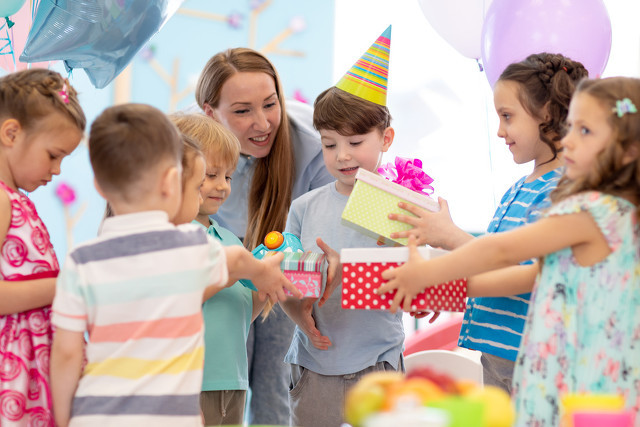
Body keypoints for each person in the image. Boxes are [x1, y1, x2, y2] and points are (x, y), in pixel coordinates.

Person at [379, 76, 640, 425]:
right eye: (572, 126)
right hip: (598, 378)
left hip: (576, 377)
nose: (570, 139)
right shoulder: (622, 211)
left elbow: (501, 250)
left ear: (628, 150)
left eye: (586, 131)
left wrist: (426, 274)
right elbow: (537, 275)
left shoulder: (591, 211)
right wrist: (439, 289)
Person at [49, 103, 298, 427]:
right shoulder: (190, 246)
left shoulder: (79, 261)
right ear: (172, 181)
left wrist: (64, 418)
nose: (216, 186)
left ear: (98, 185)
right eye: (201, 181)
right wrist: (264, 272)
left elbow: (66, 353)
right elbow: (237, 260)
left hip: (96, 414)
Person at [387, 53, 588, 392]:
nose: (499, 131)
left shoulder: (561, 190)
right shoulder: (520, 189)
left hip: (532, 357)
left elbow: (525, 272)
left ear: (548, 115)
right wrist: (448, 259)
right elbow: (498, 258)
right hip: (498, 354)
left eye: (507, 116)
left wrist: (446, 262)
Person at [195, 47, 333, 424]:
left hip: (281, 261)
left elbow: (320, 237)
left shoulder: (314, 145)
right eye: (242, 111)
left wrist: (298, 298)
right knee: (215, 374)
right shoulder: (189, 144)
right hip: (216, 262)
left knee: (275, 384)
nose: (262, 123)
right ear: (210, 112)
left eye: (270, 104)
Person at [280, 27, 405, 427]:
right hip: (315, 364)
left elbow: (412, 281)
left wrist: (344, 266)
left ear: (385, 138)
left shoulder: (398, 203)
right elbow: (287, 282)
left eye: (355, 142)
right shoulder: (303, 207)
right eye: (330, 144)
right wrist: (300, 317)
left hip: (378, 362)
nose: (342, 155)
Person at [170, 113, 274, 425]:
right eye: (211, 175)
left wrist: (265, 293)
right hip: (190, 383)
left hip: (232, 381)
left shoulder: (229, 239)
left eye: (227, 176)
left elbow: (238, 315)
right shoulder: (176, 235)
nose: (222, 186)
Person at [0, 69, 86, 426]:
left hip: (36, 366)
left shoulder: (15, 200)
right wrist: (68, 283)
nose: (57, 170)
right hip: (13, 369)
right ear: (11, 133)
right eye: (53, 155)